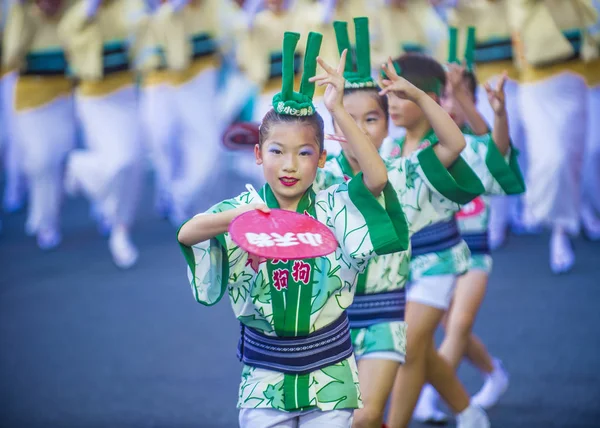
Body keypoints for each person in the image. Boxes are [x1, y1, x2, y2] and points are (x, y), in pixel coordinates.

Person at [177, 30, 409, 427]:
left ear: (321, 159)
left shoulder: (335, 205)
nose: (289, 165)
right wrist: (239, 218)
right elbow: (188, 233)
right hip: (263, 381)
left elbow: (376, 178)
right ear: (257, 154)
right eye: (276, 152)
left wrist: (337, 109)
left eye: (304, 154)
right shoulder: (244, 209)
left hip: (331, 377)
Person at [314, 18, 491, 428]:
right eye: (348, 118)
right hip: (329, 322)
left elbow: (455, 144)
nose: (359, 128)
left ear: (387, 122)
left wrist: (415, 93)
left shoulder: (403, 171)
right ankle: (468, 410)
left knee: (368, 414)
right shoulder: (319, 178)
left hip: (387, 311)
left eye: (372, 119)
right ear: (335, 123)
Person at [59, 0, 149, 268]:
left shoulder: (126, 7)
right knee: (118, 163)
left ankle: (120, 229)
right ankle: (78, 166)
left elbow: (138, 27)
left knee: (133, 166)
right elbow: (67, 34)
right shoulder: (79, 12)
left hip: (126, 95)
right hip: (95, 100)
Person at [3, 0, 77, 249]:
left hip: (64, 98)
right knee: (41, 159)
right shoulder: (23, 13)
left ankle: (45, 212)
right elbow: (11, 55)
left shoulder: (71, 10)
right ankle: (46, 221)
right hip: (31, 101)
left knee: (59, 159)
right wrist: (26, 14)